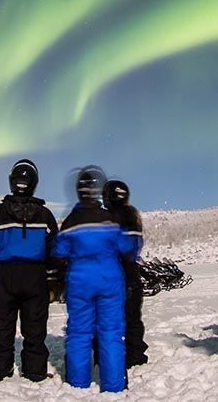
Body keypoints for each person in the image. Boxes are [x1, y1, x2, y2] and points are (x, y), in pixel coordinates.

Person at [53, 166, 135, 393]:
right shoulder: (110, 219)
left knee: (79, 332)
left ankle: (78, 384)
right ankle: (114, 386)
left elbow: (58, 251)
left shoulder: (70, 221)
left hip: (79, 282)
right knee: (110, 333)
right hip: (109, 280)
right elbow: (127, 247)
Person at [0, 159, 59, 383]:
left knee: (1, 325)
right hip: (36, 276)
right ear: (34, 183)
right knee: (35, 327)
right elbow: (56, 251)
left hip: (5, 275)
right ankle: (34, 371)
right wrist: (53, 282)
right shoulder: (45, 215)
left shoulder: (0, 212)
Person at [103, 179, 149, 368]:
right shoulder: (134, 217)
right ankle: (135, 357)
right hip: (132, 273)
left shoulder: (105, 219)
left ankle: (106, 359)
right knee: (132, 319)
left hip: (111, 273)